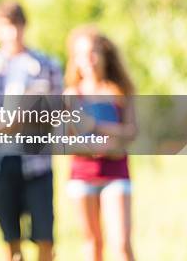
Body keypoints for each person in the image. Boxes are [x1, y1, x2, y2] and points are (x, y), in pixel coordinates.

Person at [0, 0, 62, 261]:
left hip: (38, 163)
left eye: (17, 25)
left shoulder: (46, 65)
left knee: (45, 237)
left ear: (25, 27)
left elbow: (61, 112)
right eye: (6, 26)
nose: (12, 33)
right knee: (11, 240)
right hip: (0, 163)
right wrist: (0, 126)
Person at [64, 26, 137, 261]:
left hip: (116, 175)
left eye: (93, 53)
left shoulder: (120, 91)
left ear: (104, 54)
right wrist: (106, 146)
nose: (89, 61)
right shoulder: (71, 95)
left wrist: (95, 127)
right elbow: (67, 141)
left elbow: (130, 132)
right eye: (82, 55)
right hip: (82, 177)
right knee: (92, 244)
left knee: (122, 244)